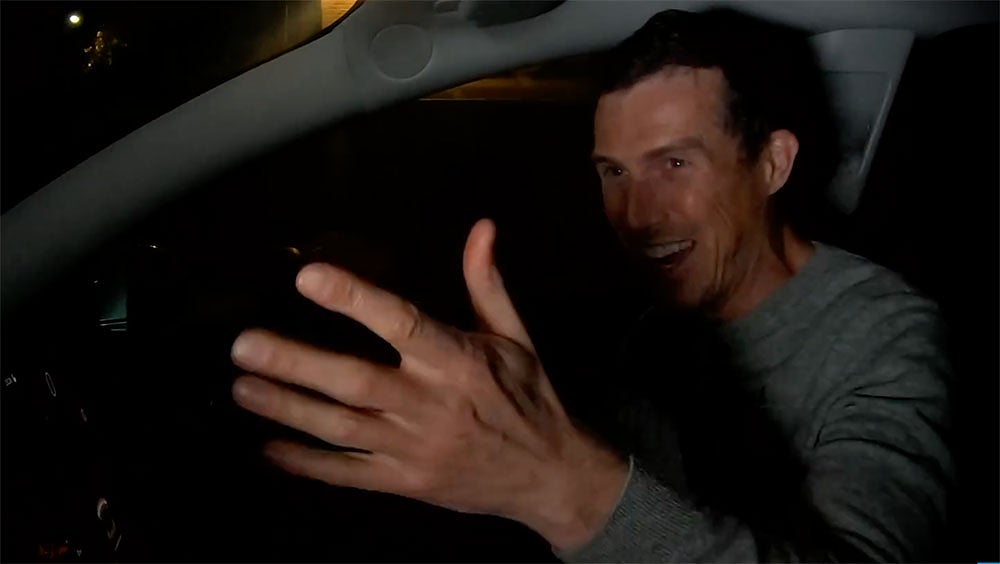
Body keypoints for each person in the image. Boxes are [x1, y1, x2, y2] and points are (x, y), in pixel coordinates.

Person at [226, 9, 953, 562]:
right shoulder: (658, 332)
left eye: (674, 164)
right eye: (614, 172)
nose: (636, 214)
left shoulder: (885, 333)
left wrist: (554, 486)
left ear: (771, 164)